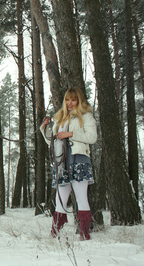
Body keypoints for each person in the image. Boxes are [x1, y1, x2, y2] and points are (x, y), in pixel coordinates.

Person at [41, 87, 97, 240]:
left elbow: (92, 137)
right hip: (62, 163)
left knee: (81, 198)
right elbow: (52, 141)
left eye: (73, 99)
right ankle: (54, 234)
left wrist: (71, 134)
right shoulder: (60, 118)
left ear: (78, 100)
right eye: (67, 99)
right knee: (60, 200)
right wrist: (44, 128)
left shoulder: (86, 117)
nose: (70, 103)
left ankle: (85, 234)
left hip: (79, 160)